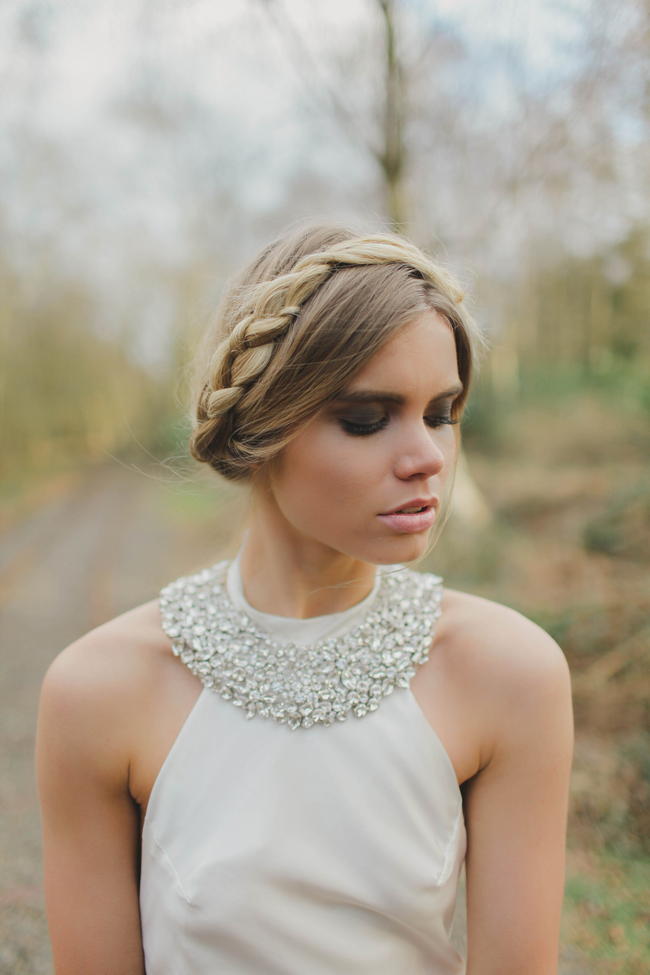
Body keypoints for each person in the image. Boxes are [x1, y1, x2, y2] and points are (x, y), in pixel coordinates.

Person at [36, 224, 574, 974]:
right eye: (365, 419)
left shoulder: (510, 673)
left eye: (441, 413)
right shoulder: (97, 690)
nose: (427, 458)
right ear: (260, 424)